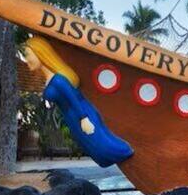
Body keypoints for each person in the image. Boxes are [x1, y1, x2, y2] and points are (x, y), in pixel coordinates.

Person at [23, 36, 133, 167]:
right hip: (72, 117)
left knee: (102, 143)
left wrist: (84, 119)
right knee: (91, 146)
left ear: (39, 53)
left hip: (81, 113)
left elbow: (73, 99)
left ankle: (126, 152)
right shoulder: (50, 79)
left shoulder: (58, 80)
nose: (26, 59)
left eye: (28, 55)